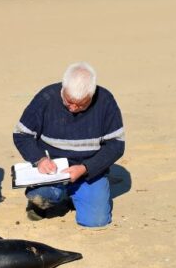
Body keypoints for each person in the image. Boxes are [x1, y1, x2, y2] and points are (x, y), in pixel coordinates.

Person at [13, 62, 125, 227]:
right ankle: (48, 198)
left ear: (92, 95)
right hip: (52, 170)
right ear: (63, 88)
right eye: (69, 101)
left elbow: (116, 145)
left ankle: (77, 196)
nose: (73, 108)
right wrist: (40, 159)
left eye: (81, 105)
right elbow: (22, 135)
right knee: (40, 196)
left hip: (88, 171)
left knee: (96, 221)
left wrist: (85, 168)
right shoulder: (46, 97)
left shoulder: (105, 101)